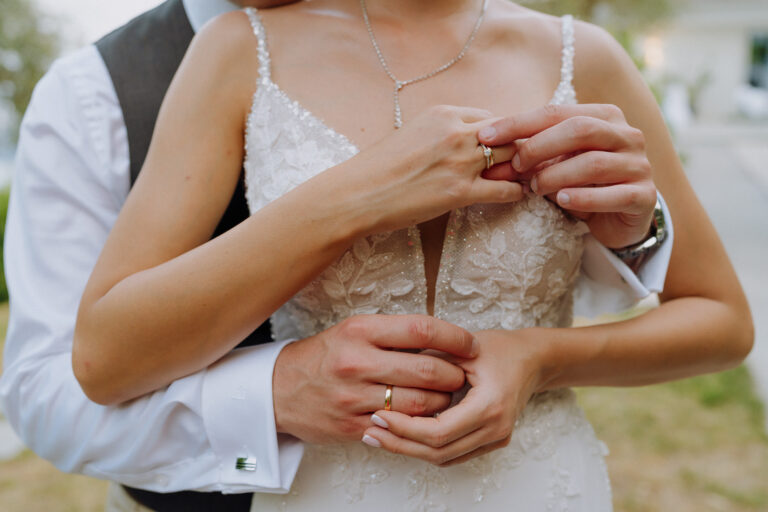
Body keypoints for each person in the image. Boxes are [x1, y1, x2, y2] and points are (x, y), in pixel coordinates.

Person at [62, 0, 753, 509]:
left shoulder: (582, 57)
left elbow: (722, 322)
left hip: (539, 484)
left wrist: (542, 357)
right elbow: (108, 360)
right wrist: (355, 197)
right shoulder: (240, 50)